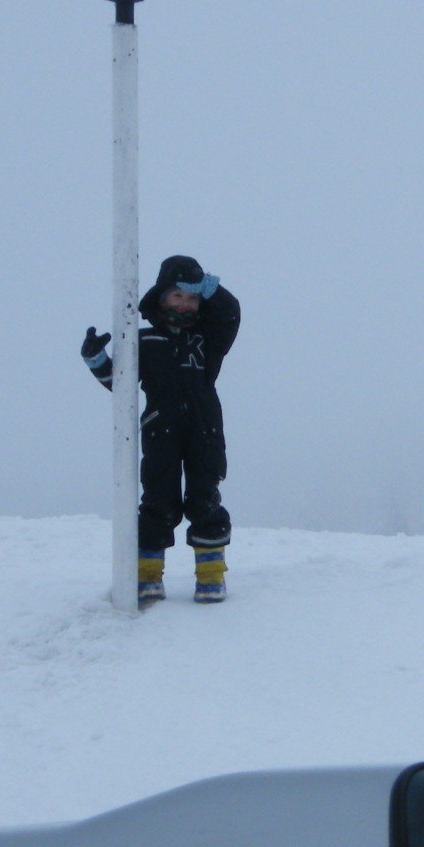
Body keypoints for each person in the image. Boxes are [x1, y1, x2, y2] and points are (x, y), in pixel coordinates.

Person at [82, 255, 240, 606]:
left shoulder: (206, 340)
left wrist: (214, 290)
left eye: (193, 297)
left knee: (205, 498)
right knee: (158, 501)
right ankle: (148, 575)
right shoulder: (144, 341)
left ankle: (211, 576)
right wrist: (96, 360)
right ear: (162, 297)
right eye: (177, 296)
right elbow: (120, 385)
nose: (185, 304)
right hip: (160, 429)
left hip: (204, 429)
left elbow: (230, 315)